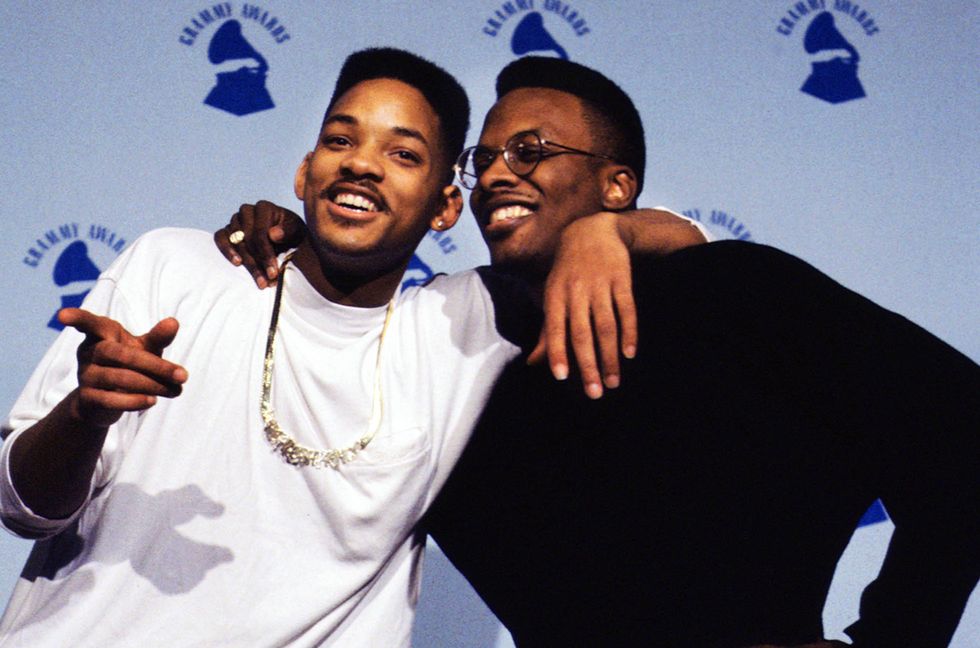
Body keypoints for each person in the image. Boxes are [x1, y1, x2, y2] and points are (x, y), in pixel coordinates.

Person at [218, 56, 979, 647]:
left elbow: (963, 434)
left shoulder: (739, 292)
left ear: (618, 184)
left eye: (531, 150)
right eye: (483, 159)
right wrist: (293, 235)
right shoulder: (455, 350)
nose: (497, 175)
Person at [0, 48, 523, 646]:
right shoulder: (177, 268)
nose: (362, 166)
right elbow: (22, 508)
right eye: (339, 140)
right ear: (304, 173)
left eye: (402, 154)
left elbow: (636, 250)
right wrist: (81, 415)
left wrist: (624, 232)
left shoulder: (462, 329)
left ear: (445, 206)